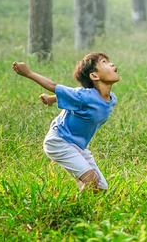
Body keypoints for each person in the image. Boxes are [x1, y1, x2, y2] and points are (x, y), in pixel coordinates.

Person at [12, 52, 119, 191]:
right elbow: (53, 86)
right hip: (59, 141)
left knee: (101, 188)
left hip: (79, 146)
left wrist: (51, 99)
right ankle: (74, 209)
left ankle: (83, 194)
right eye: (104, 62)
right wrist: (28, 73)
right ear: (94, 76)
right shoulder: (84, 95)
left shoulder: (111, 99)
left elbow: (73, 98)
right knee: (91, 181)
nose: (111, 64)